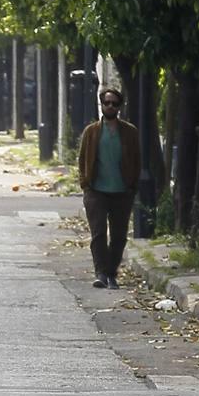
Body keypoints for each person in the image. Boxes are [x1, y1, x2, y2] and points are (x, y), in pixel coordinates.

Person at [78, 86, 141, 289]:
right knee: (98, 234)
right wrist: (85, 184)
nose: (110, 106)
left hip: (122, 192)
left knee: (119, 236)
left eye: (114, 103)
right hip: (96, 191)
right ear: (101, 105)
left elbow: (137, 160)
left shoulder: (130, 132)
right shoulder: (92, 132)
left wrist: (132, 185)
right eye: (106, 103)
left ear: (119, 106)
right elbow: (82, 160)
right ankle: (101, 273)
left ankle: (112, 273)